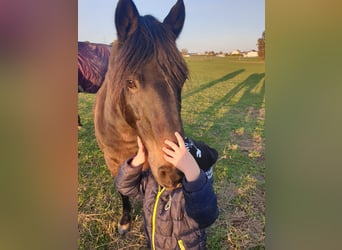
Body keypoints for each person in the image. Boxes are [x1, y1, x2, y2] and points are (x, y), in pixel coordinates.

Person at [115, 132, 219, 250]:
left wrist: (193, 173)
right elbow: (124, 186)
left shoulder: (190, 197)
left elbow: (206, 215)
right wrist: (138, 160)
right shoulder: (153, 183)